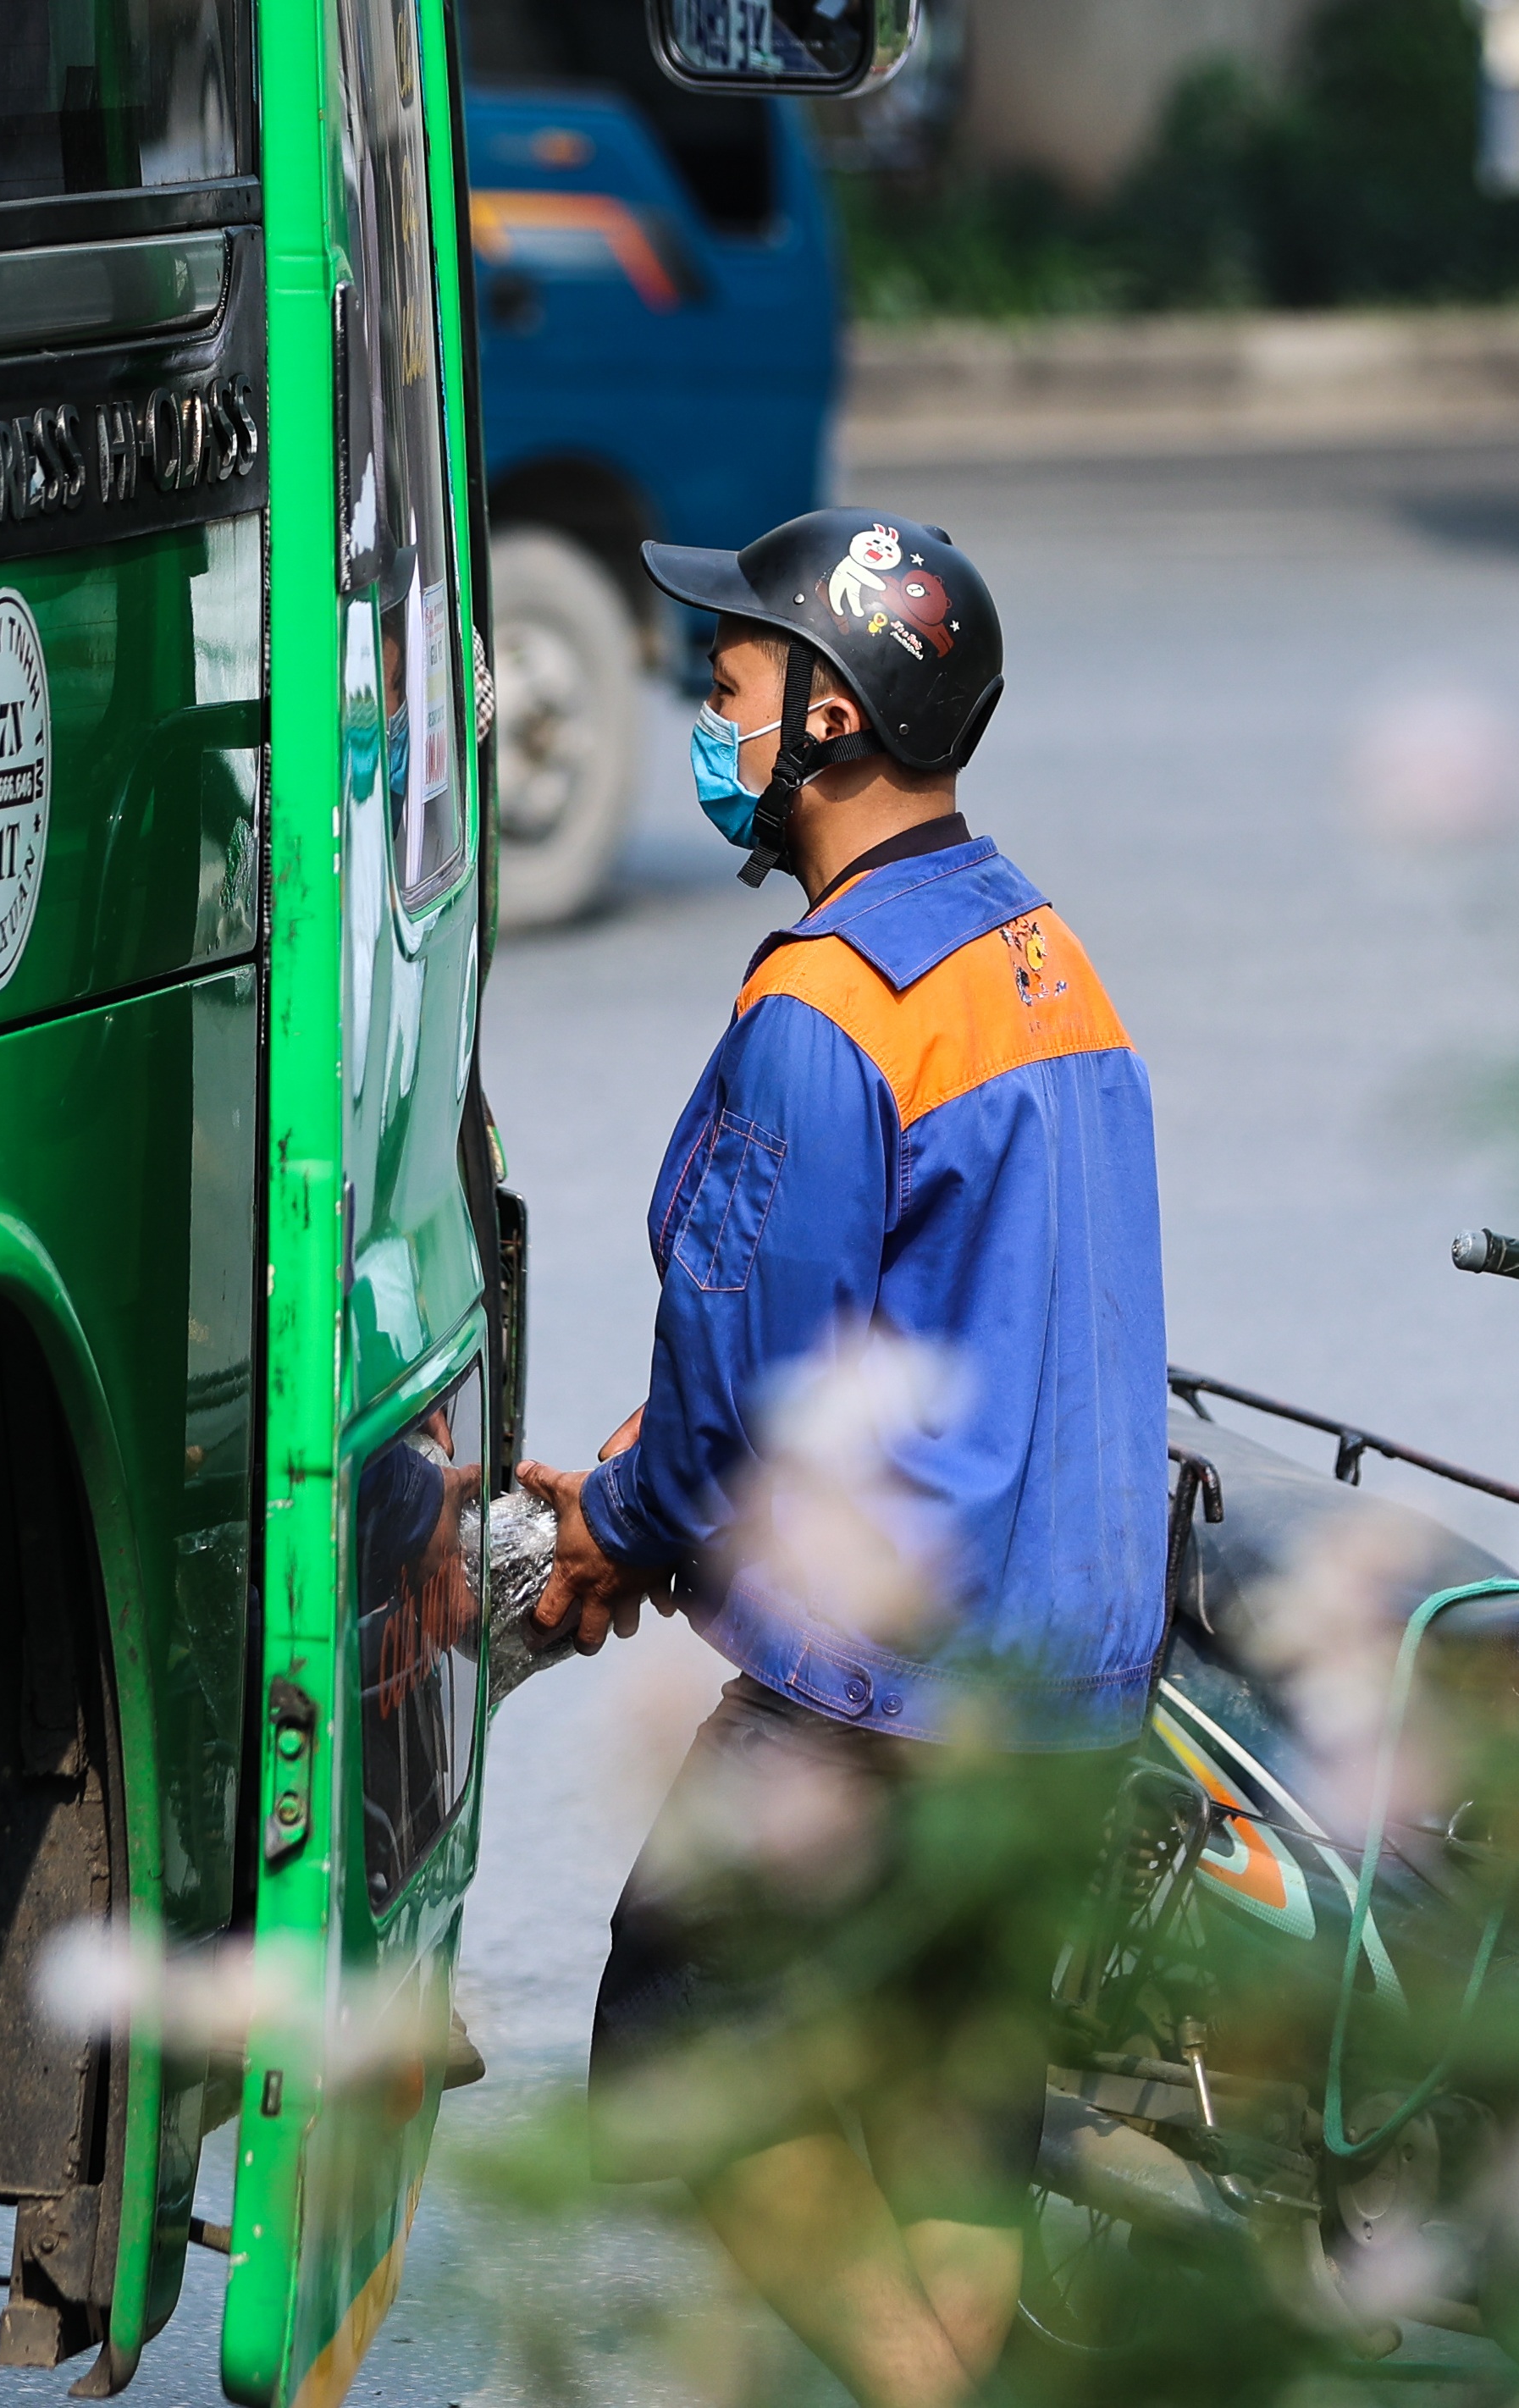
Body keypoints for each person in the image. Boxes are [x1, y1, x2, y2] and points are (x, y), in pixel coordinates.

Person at [515, 510, 1168, 2408]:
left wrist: (619, 1519)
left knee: (673, 2043)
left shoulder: (830, 1001)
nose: (700, 707)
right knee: (960, 2092)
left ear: (834, 715)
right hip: (1070, 1665)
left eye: (729, 681)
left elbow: (751, 1389)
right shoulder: (1043, 954)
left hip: (891, 1671)